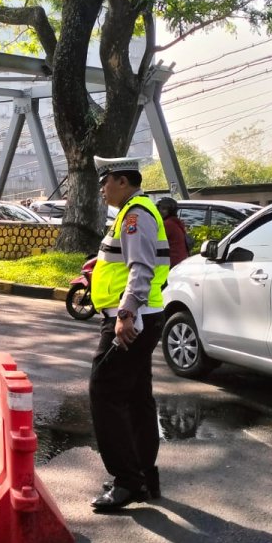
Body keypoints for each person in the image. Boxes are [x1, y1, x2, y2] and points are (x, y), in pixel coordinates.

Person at [88, 156, 170, 513]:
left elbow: (141, 268)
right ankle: (144, 475)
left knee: (104, 392)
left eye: (105, 182)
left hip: (131, 320)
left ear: (122, 181)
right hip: (142, 317)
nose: (102, 189)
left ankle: (127, 481)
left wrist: (125, 313)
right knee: (137, 397)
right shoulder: (133, 213)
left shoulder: (135, 215)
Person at [156, 197, 190, 267]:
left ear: (171, 211)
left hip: (172, 263)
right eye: (159, 208)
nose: (160, 211)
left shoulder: (167, 224)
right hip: (180, 261)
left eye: (164, 209)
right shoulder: (175, 222)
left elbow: (153, 241)